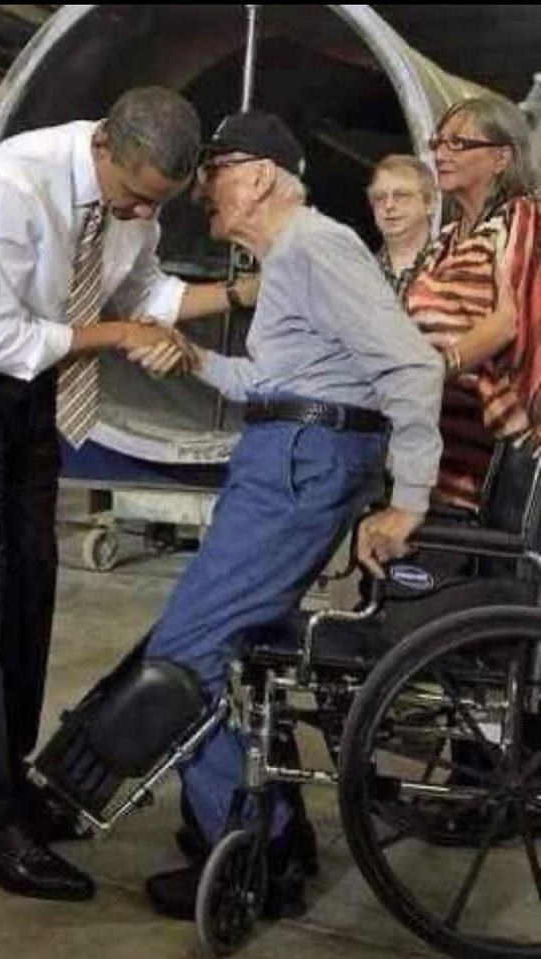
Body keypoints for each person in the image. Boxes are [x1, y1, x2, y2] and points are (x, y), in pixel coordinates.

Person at [0, 86, 259, 903]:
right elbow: (0, 336)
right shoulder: (11, 183)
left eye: (155, 203)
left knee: (31, 580)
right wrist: (123, 336)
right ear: (103, 146)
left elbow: (146, 295)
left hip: (33, 383)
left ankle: (10, 783)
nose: (138, 211)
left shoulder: (138, 203)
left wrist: (243, 292)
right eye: (130, 195)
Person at [118, 110, 444, 918]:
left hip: (299, 468)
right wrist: (192, 358)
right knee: (214, 647)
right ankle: (255, 825)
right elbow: (274, 383)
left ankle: (257, 848)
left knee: (184, 656)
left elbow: (410, 367)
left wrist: (409, 499)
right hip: (285, 457)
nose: (203, 192)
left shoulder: (316, 245)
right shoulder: (293, 258)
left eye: (216, 170)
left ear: (261, 174)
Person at [406, 96, 541, 511]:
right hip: (442, 457)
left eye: (458, 144)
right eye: (437, 143)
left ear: (502, 157)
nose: (441, 154)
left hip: (507, 449)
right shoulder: (443, 240)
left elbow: (509, 322)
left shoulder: (520, 217)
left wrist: (435, 368)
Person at [367, 154, 437, 302]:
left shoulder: (452, 266)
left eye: (401, 195)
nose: (389, 205)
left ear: (430, 203)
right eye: (379, 197)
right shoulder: (359, 273)